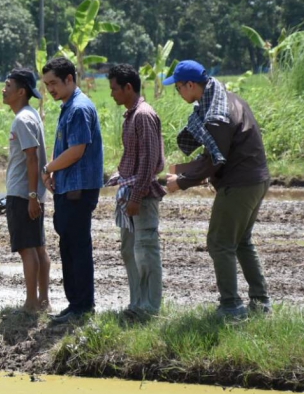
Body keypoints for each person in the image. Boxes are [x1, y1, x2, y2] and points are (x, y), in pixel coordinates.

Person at [163, 60, 271, 317]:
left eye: (178, 88)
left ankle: (231, 306)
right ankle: (260, 302)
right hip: (256, 179)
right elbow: (216, 152)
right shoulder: (227, 99)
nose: (178, 93)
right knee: (242, 241)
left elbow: (215, 159)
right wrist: (181, 169)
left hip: (240, 183)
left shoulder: (216, 115)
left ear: (190, 85)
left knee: (219, 243)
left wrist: (181, 183)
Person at [40, 56, 104, 324]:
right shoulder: (68, 106)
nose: (50, 89)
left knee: (77, 248)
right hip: (69, 188)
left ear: (70, 79)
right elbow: (64, 145)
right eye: (46, 84)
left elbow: (76, 151)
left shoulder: (78, 108)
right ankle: (75, 303)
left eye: (54, 82)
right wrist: (53, 170)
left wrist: (48, 167)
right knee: (68, 246)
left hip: (78, 190)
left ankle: (82, 305)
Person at [107, 64, 165, 319]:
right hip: (131, 193)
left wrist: (136, 196)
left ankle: (150, 308)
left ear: (128, 88)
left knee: (146, 250)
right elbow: (134, 158)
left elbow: (150, 161)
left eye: (114, 89)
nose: (112, 94)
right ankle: (136, 304)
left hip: (141, 196)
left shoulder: (143, 115)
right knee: (129, 251)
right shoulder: (132, 115)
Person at [1, 68, 51, 313]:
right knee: (38, 247)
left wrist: (31, 196)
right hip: (29, 193)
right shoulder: (31, 115)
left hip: (24, 194)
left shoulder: (22, 119)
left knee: (27, 249)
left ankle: (31, 302)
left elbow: (32, 159)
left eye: (8, 85)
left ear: (21, 92)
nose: (4, 89)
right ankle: (43, 301)